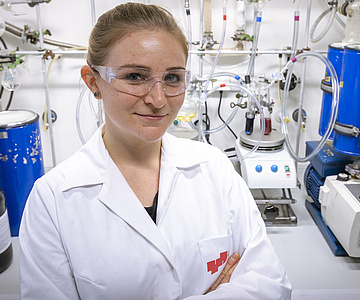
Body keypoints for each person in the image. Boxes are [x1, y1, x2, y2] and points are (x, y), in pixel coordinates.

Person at [19, 2, 291, 299]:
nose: (159, 99)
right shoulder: (53, 199)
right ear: (93, 81)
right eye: (135, 76)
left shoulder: (214, 168)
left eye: (173, 77)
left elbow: (270, 284)